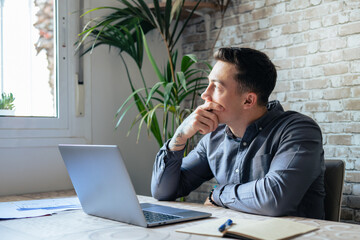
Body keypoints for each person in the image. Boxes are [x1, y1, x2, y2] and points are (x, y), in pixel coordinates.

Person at [151, 47, 325, 219]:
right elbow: (163, 191)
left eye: (217, 87)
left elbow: (274, 199)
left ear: (248, 100)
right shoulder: (214, 138)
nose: (205, 94)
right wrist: (180, 136)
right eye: (208, 83)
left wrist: (218, 194)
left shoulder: (298, 130)